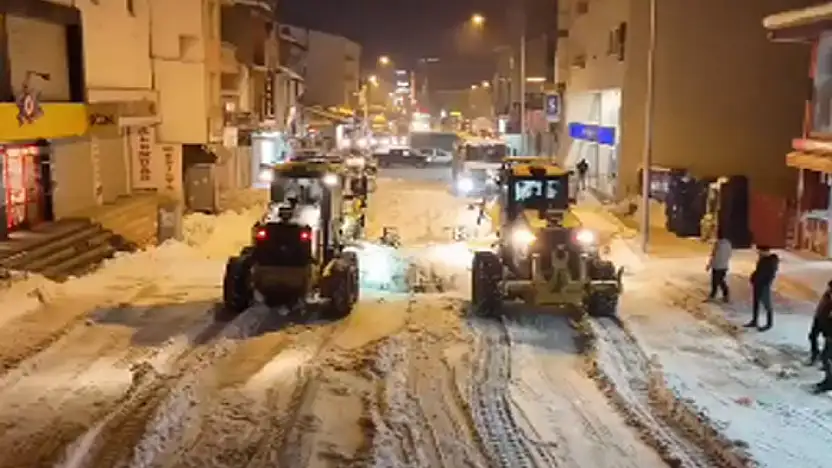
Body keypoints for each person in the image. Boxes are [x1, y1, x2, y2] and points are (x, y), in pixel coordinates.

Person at [746, 245, 779, 331]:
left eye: (760, 252)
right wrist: (753, 278)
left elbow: (768, 275)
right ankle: (754, 321)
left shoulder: (770, 262)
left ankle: (769, 324)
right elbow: (758, 271)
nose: (759, 253)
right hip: (758, 284)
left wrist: (762, 282)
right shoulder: (763, 260)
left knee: (767, 304)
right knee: (756, 303)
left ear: (765, 252)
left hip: (764, 285)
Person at [706, 236, 732, 302]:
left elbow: (714, 255)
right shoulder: (728, 244)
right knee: (720, 281)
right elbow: (729, 255)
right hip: (724, 266)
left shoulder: (717, 244)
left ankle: (713, 295)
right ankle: (725, 295)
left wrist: (709, 265)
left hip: (717, 266)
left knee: (715, 281)